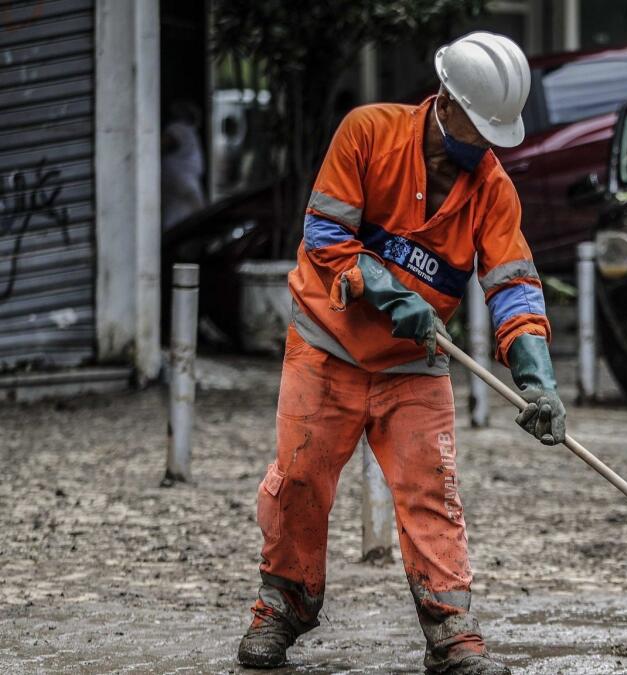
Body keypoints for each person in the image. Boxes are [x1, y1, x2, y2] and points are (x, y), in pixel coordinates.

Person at [236, 32, 565, 675]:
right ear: (445, 101)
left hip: (414, 362)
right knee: (299, 480)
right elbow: (326, 234)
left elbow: (513, 287)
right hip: (327, 345)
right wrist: (386, 290)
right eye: (479, 127)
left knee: (430, 493)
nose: (485, 147)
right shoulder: (367, 133)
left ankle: (452, 636)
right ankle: (281, 609)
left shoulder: (493, 190)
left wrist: (537, 376)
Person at [161, 100, 207, 230]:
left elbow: (159, 147)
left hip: (181, 191)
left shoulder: (179, 128)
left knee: (177, 230)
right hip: (186, 189)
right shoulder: (189, 131)